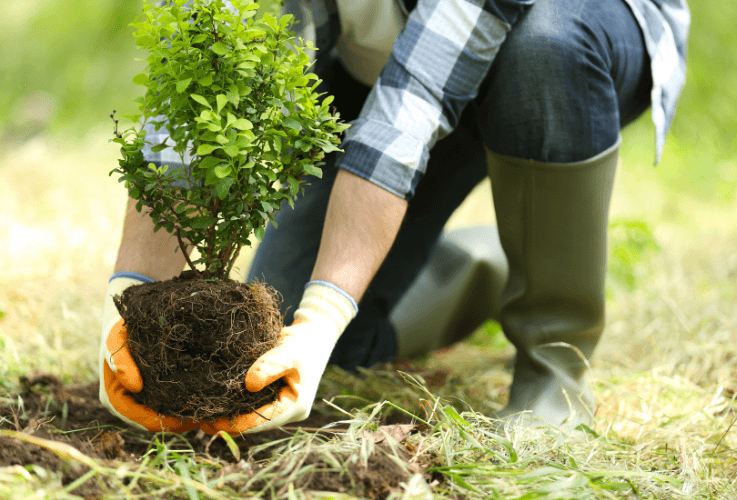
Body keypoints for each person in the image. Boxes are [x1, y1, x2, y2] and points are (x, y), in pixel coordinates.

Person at [100, 0, 690, 433]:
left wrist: (326, 308)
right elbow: (229, 57)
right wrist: (130, 300)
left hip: (570, 34)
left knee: (545, 47)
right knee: (292, 340)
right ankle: (483, 262)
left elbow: (413, 103)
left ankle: (553, 366)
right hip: (376, 58)